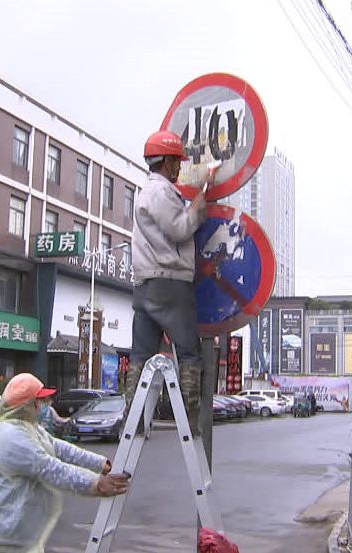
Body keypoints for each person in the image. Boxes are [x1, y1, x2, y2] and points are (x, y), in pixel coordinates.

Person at [0, 373, 129, 553]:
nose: (45, 404)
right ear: (27, 405)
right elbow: (51, 469)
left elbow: (59, 447)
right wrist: (96, 484)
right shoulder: (10, 437)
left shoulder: (28, 427)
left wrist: (100, 463)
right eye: (40, 400)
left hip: (20, 535)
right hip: (6, 537)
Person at [125, 130, 215, 436]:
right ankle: (190, 421)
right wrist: (199, 205)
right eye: (177, 161)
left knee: (141, 355)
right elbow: (179, 229)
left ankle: (133, 420)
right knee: (189, 353)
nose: (179, 169)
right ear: (168, 163)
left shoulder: (144, 192)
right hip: (171, 283)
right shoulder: (161, 193)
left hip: (145, 284)